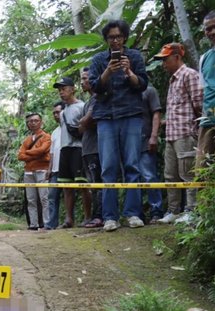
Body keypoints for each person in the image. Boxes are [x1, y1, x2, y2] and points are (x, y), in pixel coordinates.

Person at [89, 19, 148, 232]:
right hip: (106, 117)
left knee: (132, 165)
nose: (115, 40)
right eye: (111, 37)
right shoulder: (97, 60)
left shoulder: (134, 57)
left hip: (131, 115)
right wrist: (108, 71)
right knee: (108, 168)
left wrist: (129, 72)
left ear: (124, 37)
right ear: (106, 40)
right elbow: (95, 87)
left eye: (119, 36)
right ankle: (110, 217)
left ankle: (132, 213)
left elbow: (142, 85)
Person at [153, 43, 202, 224]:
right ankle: (174, 211)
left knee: (189, 173)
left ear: (177, 57)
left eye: (165, 59)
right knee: (170, 175)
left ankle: (192, 210)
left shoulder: (189, 75)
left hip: (186, 133)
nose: (163, 63)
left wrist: (197, 131)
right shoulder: (172, 80)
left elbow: (199, 104)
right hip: (172, 134)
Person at [54, 77, 91, 229]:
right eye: (59, 90)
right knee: (66, 185)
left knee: (82, 184)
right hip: (65, 149)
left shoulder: (82, 106)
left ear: (73, 89)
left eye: (64, 88)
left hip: (78, 148)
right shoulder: (62, 113)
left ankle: (88, 216)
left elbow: (86, 128)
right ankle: (69, 219)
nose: (61, 92)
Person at [17, 113, 51, 230]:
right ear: (28, 124)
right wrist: (36, 154)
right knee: (31, 199)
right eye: (30, 121)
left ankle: (47, 223)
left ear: (41, 122)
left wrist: (28, 153)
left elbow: (43, 150)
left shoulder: (46, 137)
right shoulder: (27, 140)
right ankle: (33, 224)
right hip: (28, 172)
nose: (33, 123)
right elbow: (20, 156)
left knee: (44, 198)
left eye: (36, 120)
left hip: (42, 170)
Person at [79, 68, 103, 228]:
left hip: (96, 148)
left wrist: (83, 122)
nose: (82, 82)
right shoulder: (88, 102)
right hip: (87, 148)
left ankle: (99, 216)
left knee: (98, 183)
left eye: (85, 78)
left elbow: (85, 123)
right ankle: (95, 216)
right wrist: (83, 123)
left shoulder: (97, 99)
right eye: (81, 79)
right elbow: (82, 126)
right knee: (92, 184)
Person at [140, 85, 164, 223]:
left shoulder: (149, 90)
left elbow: (156, 113)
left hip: (145, 140)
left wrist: (154, 136)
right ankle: (137, 213)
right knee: (133, 179)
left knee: (149, 176)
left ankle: (156, 211)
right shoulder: (126, 91)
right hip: (129, 144)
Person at [196, 10, 215, 170]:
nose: (213, 31)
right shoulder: (205, 58)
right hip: (209, 120)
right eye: (209, 28)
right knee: (203, 171)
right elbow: (205, 91)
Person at [46, 102, 64, 229]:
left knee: (70, 195)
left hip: (67, 168)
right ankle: (52, 224)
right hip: (55, 170)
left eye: (58, 112)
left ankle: (70, 221)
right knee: (52, 197)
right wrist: (49, 169)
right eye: (54, 113)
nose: (56, 115)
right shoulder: (54, 132)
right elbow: (51, 153)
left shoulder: (71, 128)